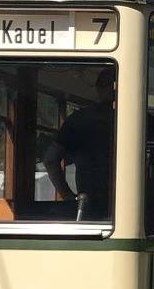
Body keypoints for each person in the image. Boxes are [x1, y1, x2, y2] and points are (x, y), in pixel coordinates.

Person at [39, 87, 115, 220]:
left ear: (99, 90)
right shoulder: (136, 117)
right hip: (137, 205)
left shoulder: (79, 120)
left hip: (88, 203)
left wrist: (68, 197)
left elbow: (51, 159)